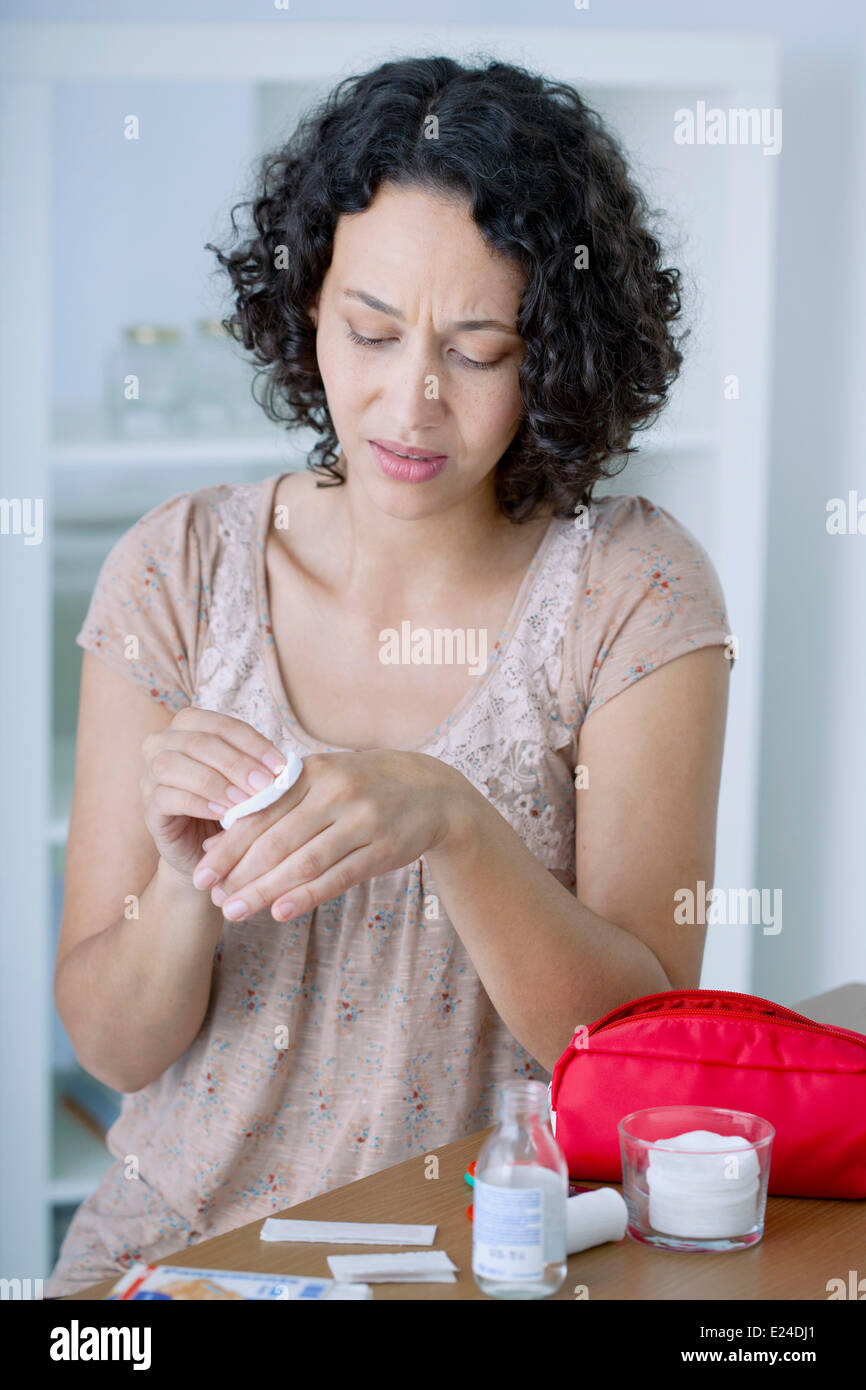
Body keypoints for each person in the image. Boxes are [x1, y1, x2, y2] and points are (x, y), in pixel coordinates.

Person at [45, 55, 731, 1296]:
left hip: (493, 1256)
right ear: (305, 303)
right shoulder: (177, 568)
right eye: (368, 331)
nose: (408, 401)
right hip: (188, 1251)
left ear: (553, 356)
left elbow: (635, 1056)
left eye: (475, 351)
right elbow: (109, 1040)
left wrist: (456, 825)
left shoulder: (630, 587)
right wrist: (188, 878)